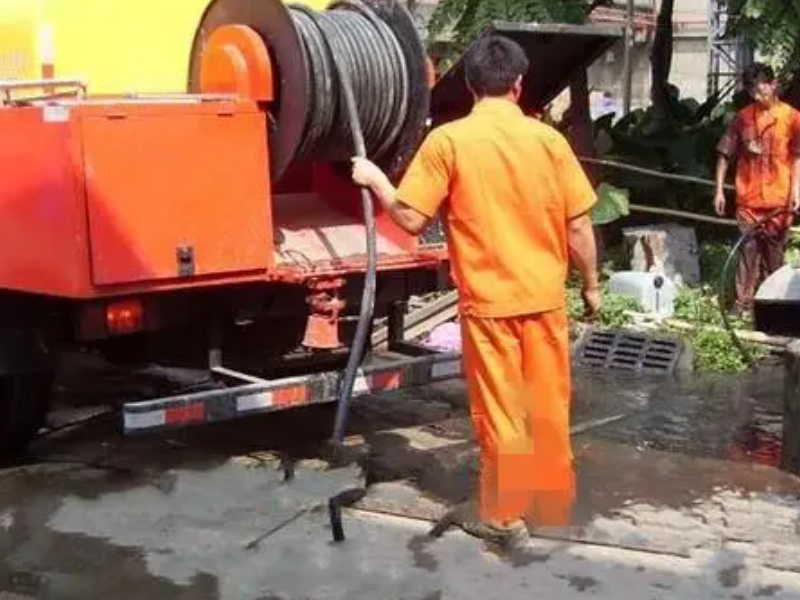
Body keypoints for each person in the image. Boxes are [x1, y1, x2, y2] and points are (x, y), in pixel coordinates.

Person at [352, 36, 601, 541]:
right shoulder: (549, 141)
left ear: (468, 85)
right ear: (518, 83)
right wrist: (592, 285)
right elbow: (579, 226)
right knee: (548, 402)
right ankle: (549, 498)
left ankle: (504, 515)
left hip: (490, 304)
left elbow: (411, 217)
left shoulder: (448, 142)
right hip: (545, 299)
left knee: (503, 408)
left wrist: (376, 179)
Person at [715, 63, 800, 314]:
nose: (757, 94)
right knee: (747, 252)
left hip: (779, 200)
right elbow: (723, 154)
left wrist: (797, 190)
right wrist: (719, 190)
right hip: (748, 200)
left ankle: (777, 307)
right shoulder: (742, 118)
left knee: (775, 256)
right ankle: (742, 305)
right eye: (752, 89)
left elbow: (797, 158)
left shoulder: (793, 118)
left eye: (761, 88)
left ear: (774, 85)